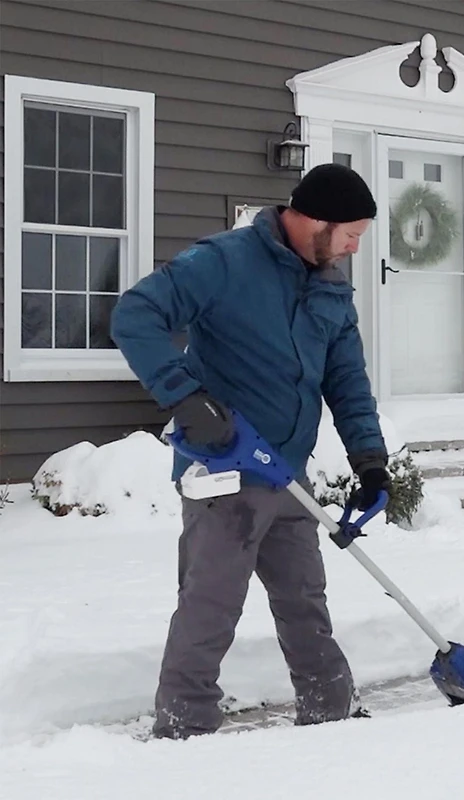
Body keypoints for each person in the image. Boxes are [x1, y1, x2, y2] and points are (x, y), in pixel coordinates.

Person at [110, 162, 392, 739]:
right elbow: (134, 314)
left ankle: (332, 716)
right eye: (351, 235)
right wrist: (185, 400)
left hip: (287, 472)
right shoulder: (224, 261)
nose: (354, 249)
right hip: (224, 467)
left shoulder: (330, 282)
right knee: (210, 605)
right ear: (315, 219)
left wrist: (369, 458)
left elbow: (347, 380)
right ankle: (183, 729)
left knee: (305, 604)